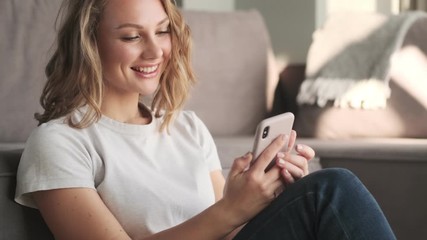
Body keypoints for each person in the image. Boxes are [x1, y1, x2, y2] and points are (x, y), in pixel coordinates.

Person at [15, 0, 396, 239]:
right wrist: (231, 210)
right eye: (132, 36)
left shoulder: (186, 127)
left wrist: (253, 197)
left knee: (316, 193)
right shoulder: (60, 143)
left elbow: (226, 232)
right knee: (327, 190)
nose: (154, 50)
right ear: (89, 44)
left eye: (163, 31)